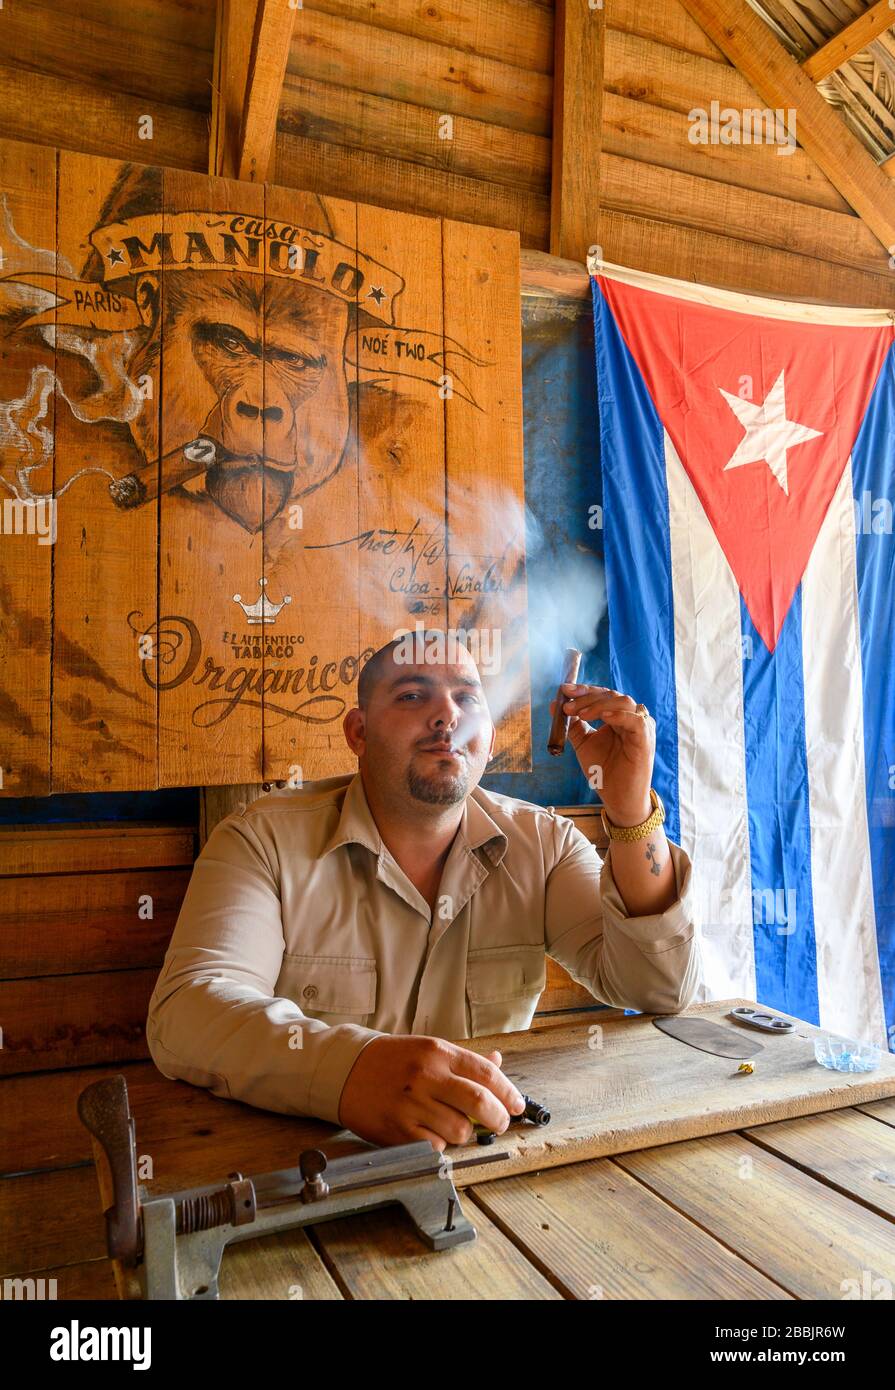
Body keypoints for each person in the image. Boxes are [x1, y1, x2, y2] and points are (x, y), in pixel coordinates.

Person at [146, 631, 702, 1151]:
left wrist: (630, 809)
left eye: (467, 698)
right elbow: (187, 1012)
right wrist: (351, 1070)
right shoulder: (262, 840)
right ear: (358, 733)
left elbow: (659, 989)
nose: (447, 715)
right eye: (413, 696)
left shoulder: (545, 844)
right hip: (315, 1174)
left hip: (500, 1164)